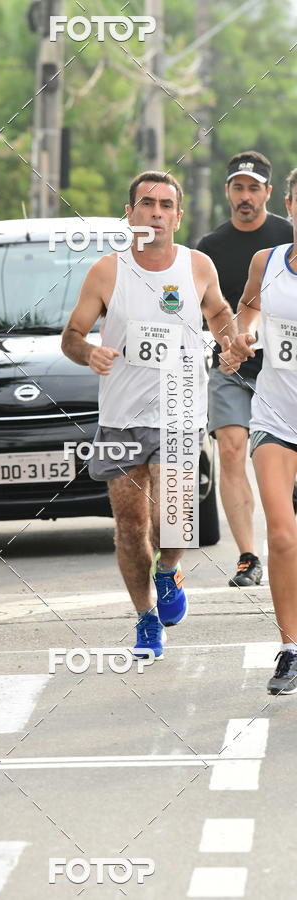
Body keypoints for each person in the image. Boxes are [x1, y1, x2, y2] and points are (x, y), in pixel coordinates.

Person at [62, 171, 235, 658]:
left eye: (165, 205)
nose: (156, 213)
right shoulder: (106, 272)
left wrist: (229, 341)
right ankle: (144, 617)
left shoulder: (197, 266)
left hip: (180, 407)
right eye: (146, 204)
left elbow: (219, 312)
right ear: (130, 213)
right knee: (131, 525)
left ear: (178, 216)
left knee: (171, 521)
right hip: (121, 415)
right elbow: (71, 335)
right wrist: (88, 352)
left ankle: (168, 571)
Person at [197, 151, 293, 587]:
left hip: (284, 370)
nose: (246, 196)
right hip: (233, 365)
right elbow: (224, 308)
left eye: (254, 188)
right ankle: (249, 555)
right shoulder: (211, 247)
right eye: (238, 187)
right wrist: (234, 341)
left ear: (271, 195)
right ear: (227, 193)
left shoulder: (287, 237)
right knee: (232, 448)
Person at [220, 168, 297, 695]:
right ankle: (291, 647)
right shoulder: (266, 262)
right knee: (283, 535)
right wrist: (242, 336)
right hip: (276, 413)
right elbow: (247, 306)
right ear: (289, 205)